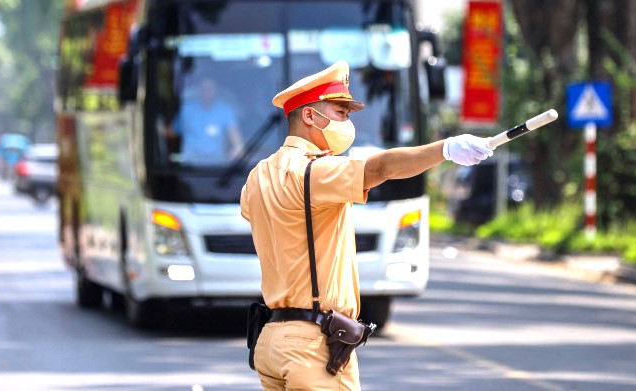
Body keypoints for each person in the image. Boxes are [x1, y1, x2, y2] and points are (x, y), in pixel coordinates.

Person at [239, 60, 493, 390]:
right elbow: (380, 167)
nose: (347, 122)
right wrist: (444, 149)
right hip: (312, 346)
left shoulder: (258, 175)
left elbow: (254, 211)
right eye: (340, 113)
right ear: (309, 116)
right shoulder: (315, 171)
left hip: (271, 341)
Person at [170, 76, 244, 164]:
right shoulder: (187, 110)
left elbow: (236, 138)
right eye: (204, 88)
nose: (207, 91)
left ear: (216, 90)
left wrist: (237, 148)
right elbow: (173, 133)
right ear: (199, 90)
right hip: (189, 166)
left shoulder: (225, 110)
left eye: (210, 88)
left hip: (217, 166)